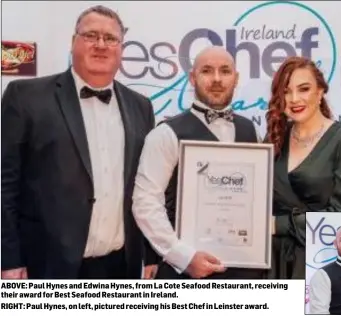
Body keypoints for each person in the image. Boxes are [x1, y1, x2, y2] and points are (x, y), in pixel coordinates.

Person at [1, 5, 159, 279]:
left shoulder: (141, 107)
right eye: (91, 36)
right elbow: (4, 183)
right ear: (73, 42)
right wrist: (8, 258)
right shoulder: (25, 97)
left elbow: (147, 187)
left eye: (110, 38)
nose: (101, 45)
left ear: (121, 48)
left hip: (121, 266)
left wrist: (150, 253)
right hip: (45, 265)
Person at [132, 46, 264, 279]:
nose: (216, 79)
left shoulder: (251, 130)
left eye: (225, 71)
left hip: (244, 269)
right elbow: (145, 202)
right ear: (192, 78)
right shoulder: (165, 134)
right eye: (206, 71)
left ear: (236, 78)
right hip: (183, 271)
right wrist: (183, 256)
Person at [265, 56, 341, 279]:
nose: (294, 99)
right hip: (272, 262)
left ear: (320, 90)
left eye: (304, 89)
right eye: (286, 91)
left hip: (319, 263)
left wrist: (279, 224)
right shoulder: (274, 139)